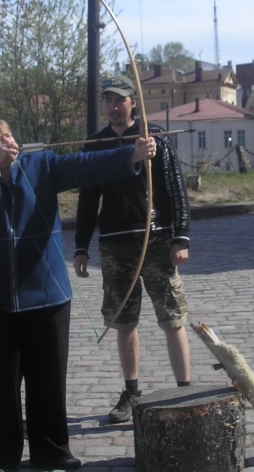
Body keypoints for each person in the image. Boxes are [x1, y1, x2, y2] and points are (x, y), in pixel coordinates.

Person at [0, 118, 157, 472]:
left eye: (10, 136)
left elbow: (86, 166)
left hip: (48, 292)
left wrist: (132, 153)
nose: (8, 143)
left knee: (48, 376)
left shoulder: (41, 164)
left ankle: (52, 449)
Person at [73, 75, 192, 424]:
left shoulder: (155, 138)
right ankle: (131, 391)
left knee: (173, 318)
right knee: (124, 322)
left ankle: (184, 391)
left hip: (154, 242)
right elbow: (88, 198)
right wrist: (80, 246)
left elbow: (175, 189)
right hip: (114, 244)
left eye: (119, 100)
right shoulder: (95, 144)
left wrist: (180, 237)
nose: (112, 107)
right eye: (107, 101)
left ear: (133, 102)